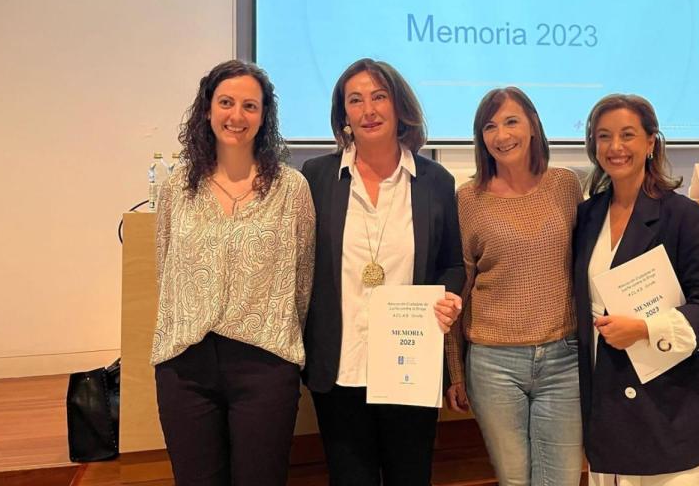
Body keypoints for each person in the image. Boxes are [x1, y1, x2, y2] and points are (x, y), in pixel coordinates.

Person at [301, 58, 465, 486]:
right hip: (340, 366)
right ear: (344, 116)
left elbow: (451, 262)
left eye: (379, 97)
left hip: (410, 363)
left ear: (399, 108)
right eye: (355, 100)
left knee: (410, 477)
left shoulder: (435, 181)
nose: (368, 110)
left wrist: (449, 297)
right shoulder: (316, 177)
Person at [151, 60, 316, 486]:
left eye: (249, 106)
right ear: (208, 110)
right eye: (226, 103)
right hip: (185, 364)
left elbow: (303, 278)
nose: (236, 116)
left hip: (265, 364)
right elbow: (164, 269)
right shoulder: (177, 187)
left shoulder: (291, 188)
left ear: (264, 117)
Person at [573, 94, 699, 486]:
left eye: (628, 135)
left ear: (651, 143)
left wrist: (645, 330)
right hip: (607, 400)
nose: (615, 147)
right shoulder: (587, 216)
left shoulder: (682, 215)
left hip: (669, 405)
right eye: (604, 136)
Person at [446, 86, 584, 486]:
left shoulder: (566, 185)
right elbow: (460, 291)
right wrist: (456, 370)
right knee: (514, 480)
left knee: (559, 480)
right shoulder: (468, 199)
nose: (502, 135)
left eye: (511, 121)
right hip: (493, 365)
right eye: (490, 126)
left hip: (564, 358)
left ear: (533, 126)